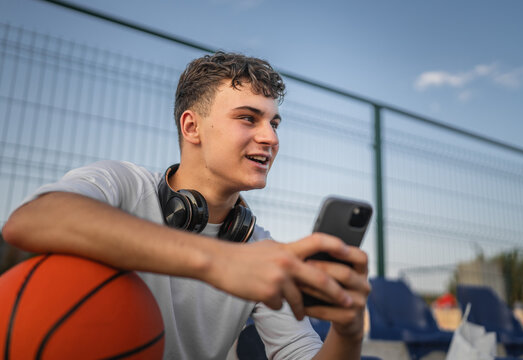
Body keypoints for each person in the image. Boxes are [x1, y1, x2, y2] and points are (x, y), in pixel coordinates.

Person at [2, 52, 370, 359]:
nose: (270, 137)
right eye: (248, 118)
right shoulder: (122, 184)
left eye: (274, 122)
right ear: (191, 127)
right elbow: (30, 220)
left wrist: (349, 332)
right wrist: (218, 261)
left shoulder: (258, 250)